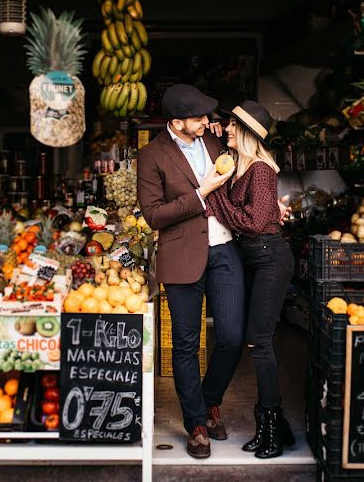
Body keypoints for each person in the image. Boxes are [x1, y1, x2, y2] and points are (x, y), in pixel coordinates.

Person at [137, 84, 244, 459]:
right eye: (199, 117)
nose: (206, 121)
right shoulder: (152, 155)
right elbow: (153, 214)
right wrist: (201, 193)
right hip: (182, 255)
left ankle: (209, 399)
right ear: (177, 122)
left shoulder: (215, 142)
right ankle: (197, 422)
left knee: (232, 336)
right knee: (185, 344)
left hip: (224, 250)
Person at [204, 100, 296, 459]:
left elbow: (255, 223)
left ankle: (270, 429)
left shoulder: (260, 170)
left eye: (231, 125)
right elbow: (251, 214)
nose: (226, 128)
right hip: (255, 259)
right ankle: (279, 428)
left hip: (270, 258)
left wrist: (212, 197)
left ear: (245, 133)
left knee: (260, 343)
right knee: (254, 341)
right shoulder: (242, 166)